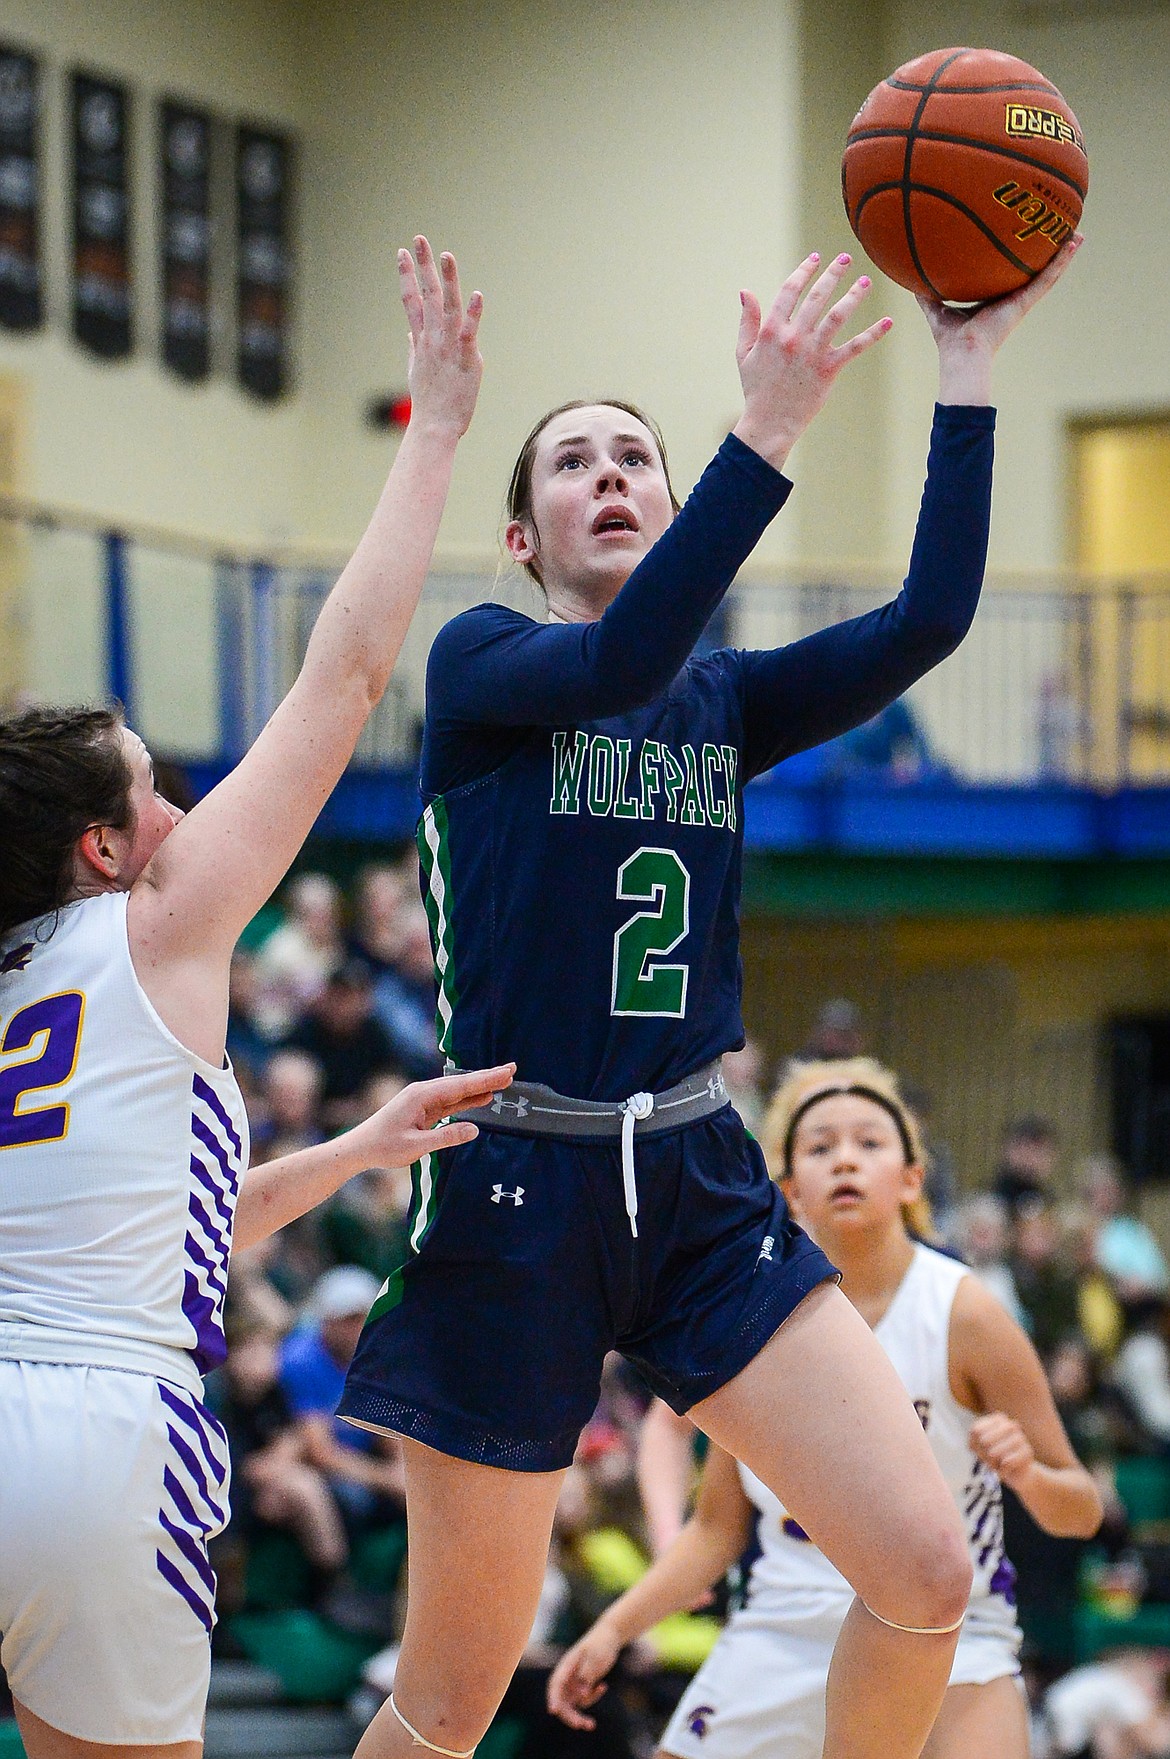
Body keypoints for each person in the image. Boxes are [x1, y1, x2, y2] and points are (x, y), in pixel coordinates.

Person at [334, 235, 1082, 1759]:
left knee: (927, 1565)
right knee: (450, 1696)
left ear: (675, 514)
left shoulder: (722, 702)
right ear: (517, 533)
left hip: (693, 1173)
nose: (609, 477)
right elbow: (618, 654)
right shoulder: (484, 664)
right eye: (572, 465)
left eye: (637, 461)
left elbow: (926, 622)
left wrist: (966, 369)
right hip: (512, 1182)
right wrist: (764, 432)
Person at [0, 239, 515, 1759]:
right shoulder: (154, 923)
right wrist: (431, 428)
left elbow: (167, 1226)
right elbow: (348, 675)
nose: (182, 814)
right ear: (103, 846)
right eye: (156, 791)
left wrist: (357, 1150)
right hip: (106, 1428)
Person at [549, 1059, 1102, 1758]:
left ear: (910, 1177)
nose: (845, 1158)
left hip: (953, 1635)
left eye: (869, 1142)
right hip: (784, 1627)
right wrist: (612, 1629)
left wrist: (1028, 1475)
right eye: (820, 1146)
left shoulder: (967, 1313)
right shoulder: (761, 1327)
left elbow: (1079, 1508)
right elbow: (717, 1528)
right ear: (788, 1191)